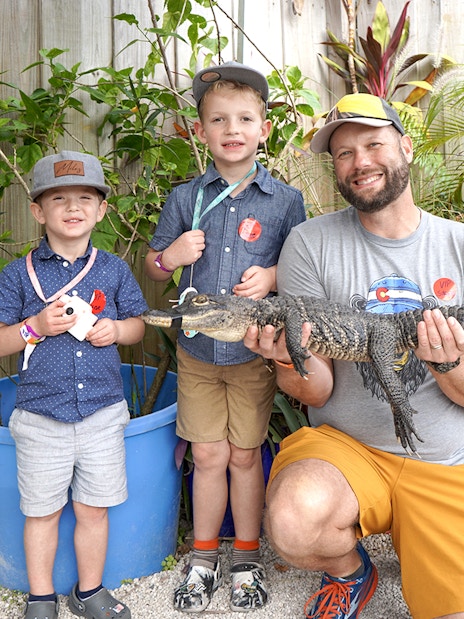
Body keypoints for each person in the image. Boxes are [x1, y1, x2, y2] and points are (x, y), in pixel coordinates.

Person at [243, 93, 464, 619]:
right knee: (295, 522)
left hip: (444, 460)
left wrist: (448, 363)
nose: (359, 161)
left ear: (406, 147)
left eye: (373, 144)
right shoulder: (308, 242)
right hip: (348, 451)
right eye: (343, 153)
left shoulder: (458, 244)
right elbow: (316, 389)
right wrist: (283, 357)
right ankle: (350, 572)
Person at [145, 61, 306, 612]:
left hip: (252, 355)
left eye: (244, 119)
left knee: (243, 455)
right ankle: (203, 555)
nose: (232, 129)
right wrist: (171, 256)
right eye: (218, 120)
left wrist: (275, 277)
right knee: (208, 455)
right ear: (201, 132)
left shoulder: (285, 202)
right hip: (196, 353)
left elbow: (302, 269)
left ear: (263, 129)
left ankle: (246, 555)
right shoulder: (184, 198)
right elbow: (155, 269)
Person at [0, 151, 149, 619]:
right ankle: (41, 597)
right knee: (41, 513)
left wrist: (117, 331)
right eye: (58, 198)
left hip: (103, 414)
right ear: (38, 211)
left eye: (86, 197)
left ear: (102, 209)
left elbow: (138, 324)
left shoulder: (114, 270)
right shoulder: (17, 274)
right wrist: (34, 327)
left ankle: (88, 591)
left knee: (93, 510)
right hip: (41, 417)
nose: (73, 207)